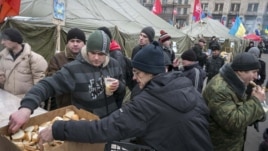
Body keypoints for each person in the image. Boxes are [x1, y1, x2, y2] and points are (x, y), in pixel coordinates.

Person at [38, 41, 213, 151]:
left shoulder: (146, 103)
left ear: (152, 72)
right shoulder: (185, 85)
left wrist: (57, 129)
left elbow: (103, 129)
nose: (134, 78)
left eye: (137, 73)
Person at [8, 30, 126, 133]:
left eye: (101, 54)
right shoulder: (74, 69)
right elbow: (47, 85)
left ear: (107, 53)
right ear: (87, 50)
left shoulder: (114, 65)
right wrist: (26, 107)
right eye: (93, 53)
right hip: (87, 127)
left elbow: (122, 89)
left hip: (110, 124)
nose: (96, 58)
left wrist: (119, 86)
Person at [202, 52, 266, 151]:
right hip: (221, 146)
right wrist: (256, 101)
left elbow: (240, 107)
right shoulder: (220, 89)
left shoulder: (237, 82)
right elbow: (234, 122)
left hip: (233, 143)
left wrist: (257, 105)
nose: (256, 77)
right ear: (240, 71)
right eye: (254, 72)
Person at [0, 28, 47, 98]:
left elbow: (40, 84)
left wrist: (34, 100)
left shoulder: (35, 58)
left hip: (27, 101)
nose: (2, 42)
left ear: (15, 40)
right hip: (8, 99)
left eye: (5, 40)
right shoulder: (3, 58)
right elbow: (2, 79)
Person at [45, 28, 86, 109]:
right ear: (67, 43)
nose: (75, 44)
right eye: (72, 41)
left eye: (78, 41)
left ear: (84, 44)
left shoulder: (88, 59)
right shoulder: (58, 58)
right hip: (63, 103)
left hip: (84, 104)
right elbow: (50, 78)